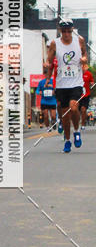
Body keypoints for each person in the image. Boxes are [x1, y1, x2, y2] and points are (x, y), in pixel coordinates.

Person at [45, 19, 88, 153]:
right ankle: (68, 140)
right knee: (65, 115)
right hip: (62, 84)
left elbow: (85, 54)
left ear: (72, 30)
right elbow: (50, 60)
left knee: (74, 107)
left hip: (76, 82)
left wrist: (84, 60)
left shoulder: (79, 40)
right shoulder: (55, 43)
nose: (66, 34)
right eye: (64, 31)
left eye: (69, 31)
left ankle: (77, 131)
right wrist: (47, 65)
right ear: (60, 31)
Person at [79, 64, 94, 129]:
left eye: (85, 67)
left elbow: (92, 81)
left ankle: (83, 124)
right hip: (77, 95)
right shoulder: (77, 74)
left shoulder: (89, 74)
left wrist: (92, 83)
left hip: (86, 94)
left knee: (83, 109)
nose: (84, 69)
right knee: (76, 110)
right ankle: (77, 121)